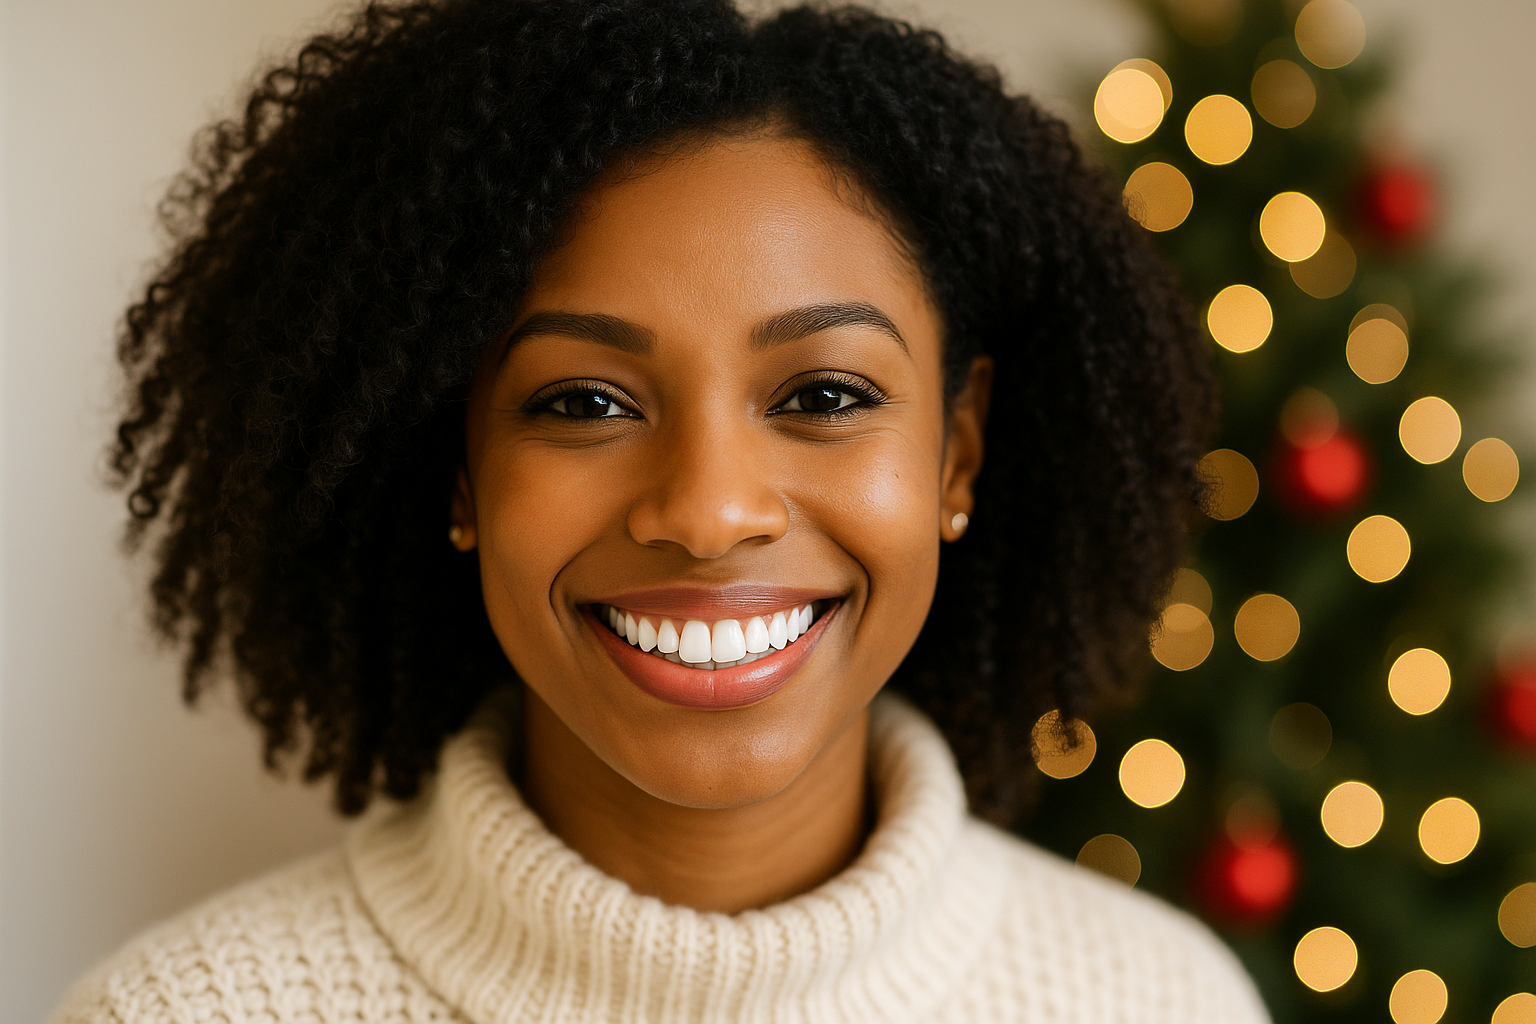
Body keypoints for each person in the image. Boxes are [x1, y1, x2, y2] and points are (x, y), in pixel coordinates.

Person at [51, 0, 1269, 1020]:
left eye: (824, 395)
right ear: (460, 469)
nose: (708, 511)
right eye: (584, 402)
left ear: (958, 454)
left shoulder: (1158, 1001)